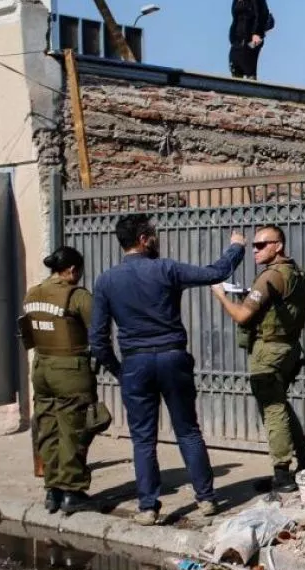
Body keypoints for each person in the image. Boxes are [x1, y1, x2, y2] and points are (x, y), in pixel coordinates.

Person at [90, 214, 246, 524]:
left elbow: (97, 339)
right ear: (144, 239)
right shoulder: (166, 269)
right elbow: (216, 272)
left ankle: (148, 507)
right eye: (154, 234)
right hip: (172, 358)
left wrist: (119, 371)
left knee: (143, 439)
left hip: (135, 363)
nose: (158, 239)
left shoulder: (106, 281)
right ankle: (206, 499)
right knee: (188, 430)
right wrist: (236, 247)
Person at [210, 225, 305, 491]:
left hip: (268, 353)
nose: (255, 250)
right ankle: (303, 464)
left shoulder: (270, 277)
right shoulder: (296, 273)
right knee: (282, 406)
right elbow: (279, 305)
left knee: (273, 410)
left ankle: (283, 475)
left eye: (262, 245)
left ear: (278, 245)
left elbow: (243, 316)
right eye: (253, 245)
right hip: (289, 349)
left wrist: (221, 296)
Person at [18, 245, 111, 516]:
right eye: (78, 271)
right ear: (71, 270)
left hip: (41, 368)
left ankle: (53, 490)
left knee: (48, 429)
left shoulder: (32, 293)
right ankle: (72, 492)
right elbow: (98, 331)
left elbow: (28, 330)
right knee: (73, 429)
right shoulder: (77, 296)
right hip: (70, 370)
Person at [229, 0, 273, 80]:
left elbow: (261, 14)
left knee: (248, 64)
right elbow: (235, 18)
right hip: (238, 39)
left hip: (252, 38)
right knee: (234, 62)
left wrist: (257, 34)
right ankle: (236, 91)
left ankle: (250, 90)